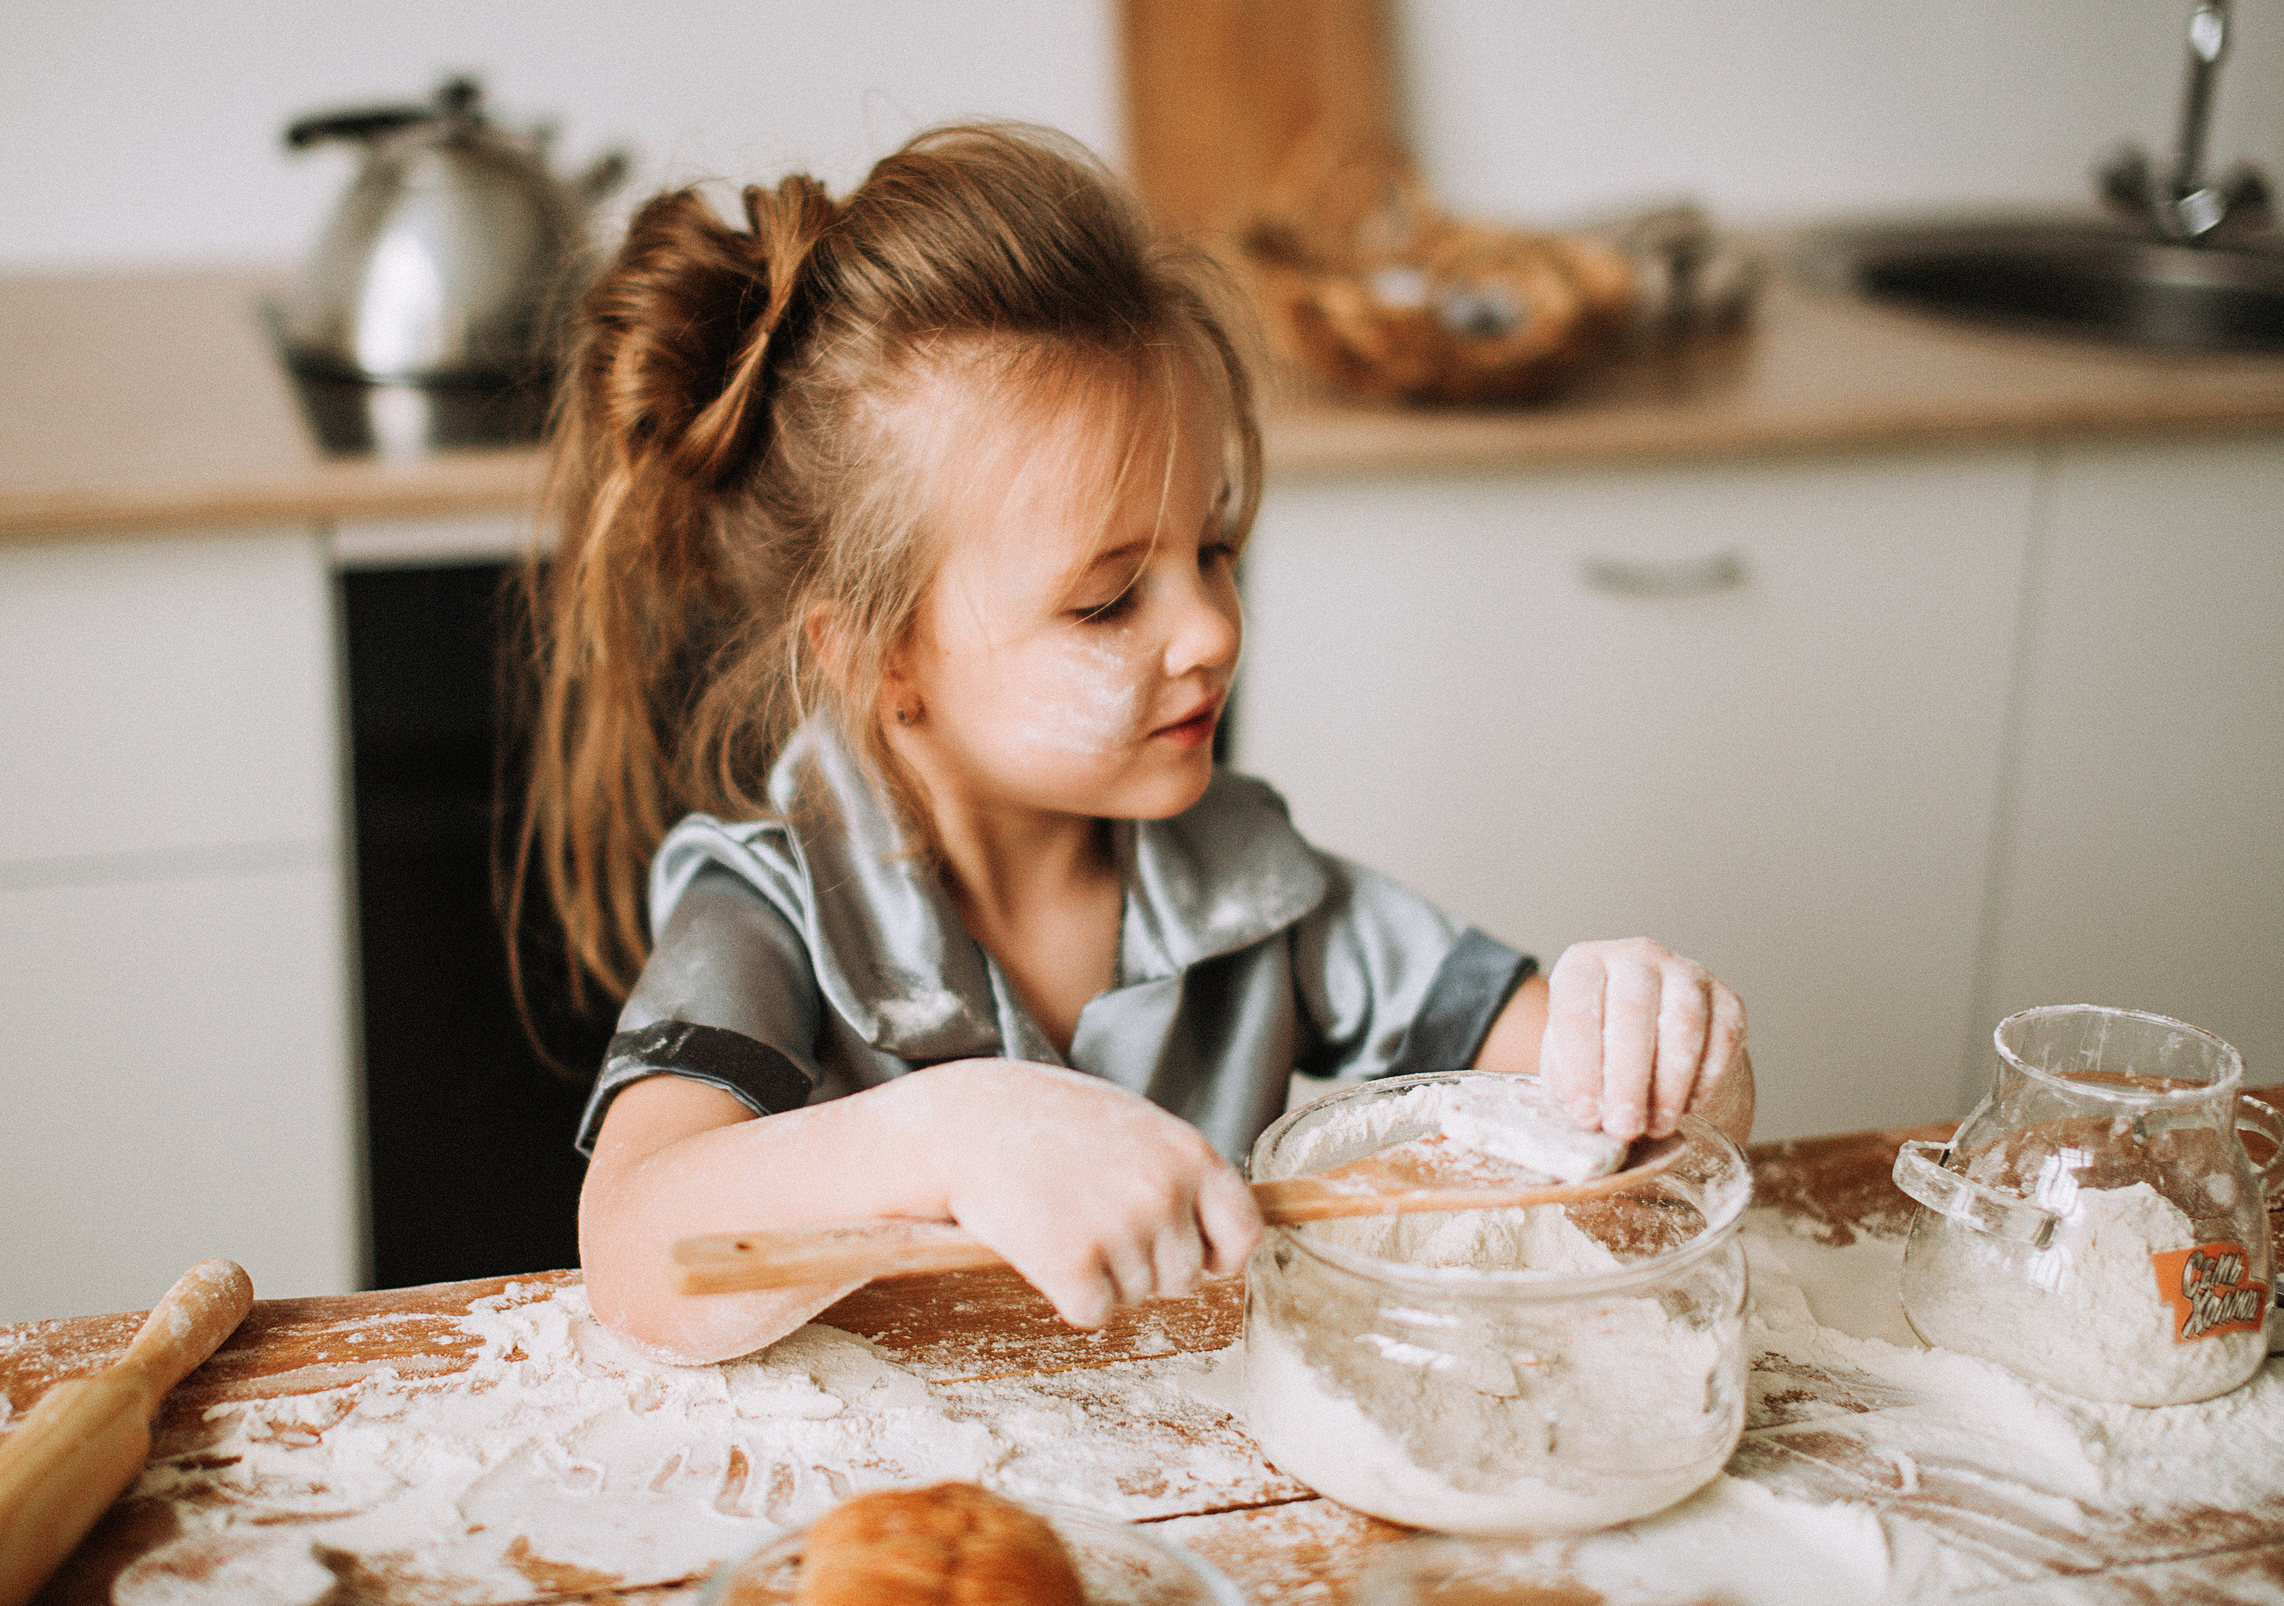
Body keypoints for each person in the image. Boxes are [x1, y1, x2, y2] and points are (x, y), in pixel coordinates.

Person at [515, 124, 1751, 1367]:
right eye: (1108, 602)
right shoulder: (774, 915)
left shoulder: (1248, 885)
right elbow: (630, 1250)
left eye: (1213, 551)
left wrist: (1658, 1050)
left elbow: (1645, 1145)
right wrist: (949, 1134)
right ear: (879, 659)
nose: (1213, 629)